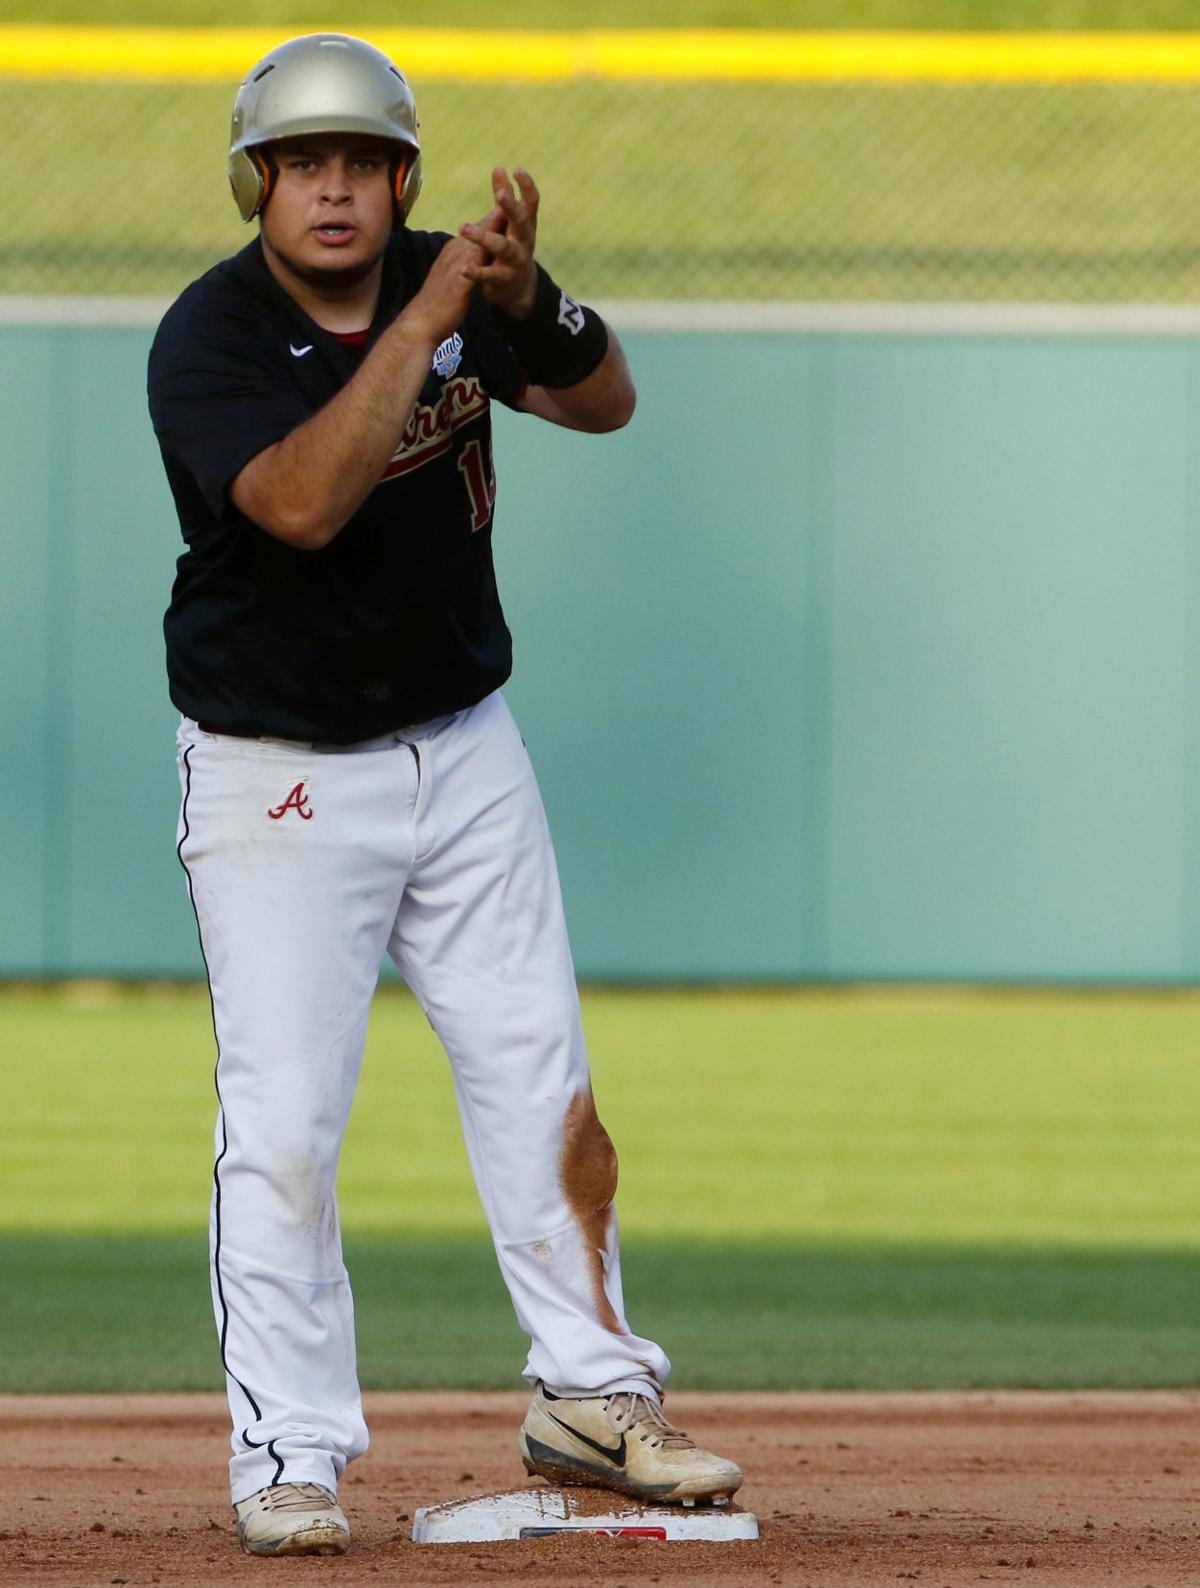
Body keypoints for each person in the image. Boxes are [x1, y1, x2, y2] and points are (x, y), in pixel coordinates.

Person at [147, 32, 742, 1559]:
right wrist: (429, 322)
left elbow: (605, 400)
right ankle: (290, 1450)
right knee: (284, 1125)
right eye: (302, 165)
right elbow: (296, 503)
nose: (334, 189)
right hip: (277, 775)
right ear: (256, 186)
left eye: (361, 163)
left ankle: (594, 1393)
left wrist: (529, 300)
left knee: (544, 1081)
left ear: (403, 174)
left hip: (466, 745)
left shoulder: (460, 285)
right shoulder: (211, 337)